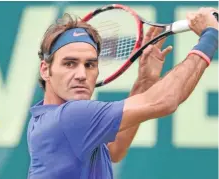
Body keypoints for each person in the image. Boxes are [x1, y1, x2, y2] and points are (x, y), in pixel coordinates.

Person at [27, 7, 218, 179]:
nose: (81, 75)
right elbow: (165, 100)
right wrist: (210, 36)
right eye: (70, 63)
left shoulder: (43, 116)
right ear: (45, 70)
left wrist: (145, 82)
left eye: (90, 65)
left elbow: (114, 150)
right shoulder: (69, 117)